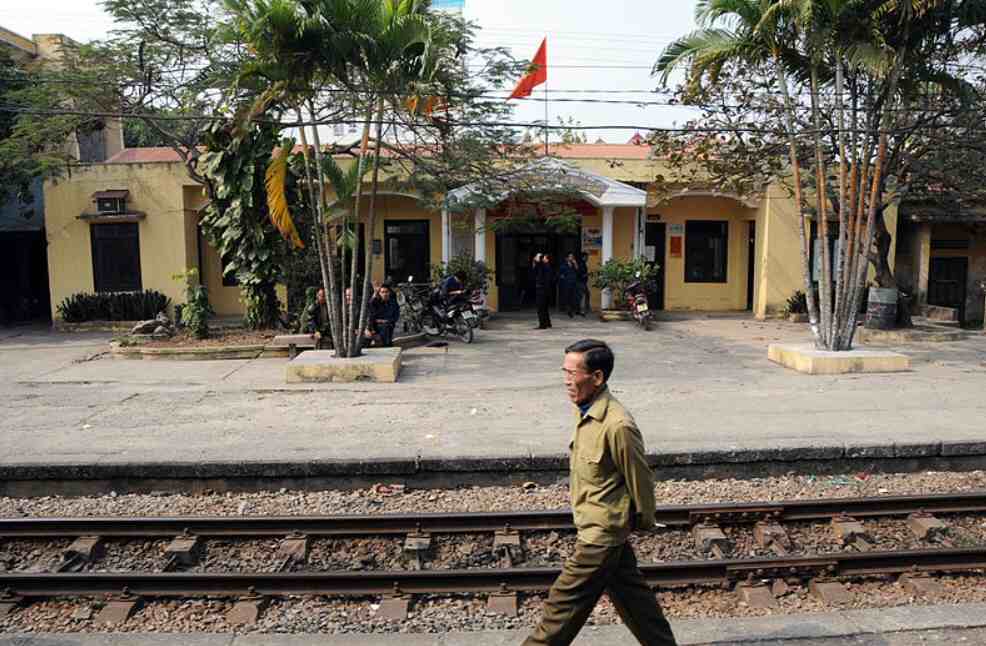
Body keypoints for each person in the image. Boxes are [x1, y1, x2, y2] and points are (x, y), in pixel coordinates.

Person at [523, 340, 678, 646]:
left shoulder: (617, 425)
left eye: (573, 373)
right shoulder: (586, 410)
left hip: (601, 534)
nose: (567, 381)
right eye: (564, 372)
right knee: (635, 601)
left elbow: (640, 477)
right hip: (598, 525)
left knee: (561, 606)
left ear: (597, 377)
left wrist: (644, 519)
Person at [368, 283, 400, 347]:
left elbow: (396, 316)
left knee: (386, 327)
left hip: (389, 324)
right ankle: (387, 344)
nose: (384, 294)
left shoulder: (393, 303)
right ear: (379, 293)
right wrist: (374, 294)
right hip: (376, 325)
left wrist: (387, 321)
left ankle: (385, 344)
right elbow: (369, 306)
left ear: (389, 293)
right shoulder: (376, 302)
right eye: (382, 292)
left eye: (386, 292)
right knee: (385, 329)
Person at [558, 253, 581, 318]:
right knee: (567, 297)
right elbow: (560, 274)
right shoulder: (563, 266)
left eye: (572, 257)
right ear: (567, 258)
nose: (572, 258)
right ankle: (569, 311)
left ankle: (576, 310)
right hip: (567, 284)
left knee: (575, 297)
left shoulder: (574, 265)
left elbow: (578, 271)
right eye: (570, 257)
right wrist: (564, 279)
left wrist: (575, 263)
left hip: (574, 283)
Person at [534, 253, 553, 329]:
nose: (542, 259)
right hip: (545, 290)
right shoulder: (546, 266)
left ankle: (542, 325)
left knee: (540, 308)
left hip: (542, 290)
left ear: (547, 259)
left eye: (544, 257)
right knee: (544, 308)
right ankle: (548, 323)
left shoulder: (545, 266)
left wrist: (537, 258)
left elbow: (539, 263)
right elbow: (536, 269)